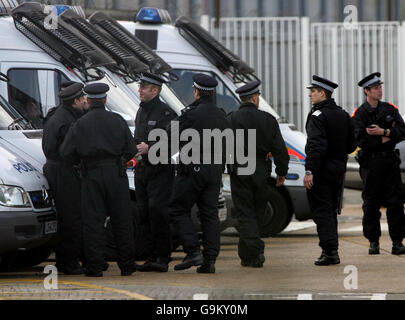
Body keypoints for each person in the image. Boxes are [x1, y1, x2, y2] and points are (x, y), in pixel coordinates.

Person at [60, 83, 138, 277]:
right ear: (104, 99)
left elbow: (65, 153)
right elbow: (131, 150)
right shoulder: (117, 120)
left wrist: (82, 161)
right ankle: (127, 266)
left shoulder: (80, 124)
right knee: (122, 221)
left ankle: (95, 267)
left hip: (91, 175)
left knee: (93, 222)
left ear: (87, 100)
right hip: (116, 174)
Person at [169, 73, 228, 274]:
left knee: (177, 208)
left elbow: (171, 133)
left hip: (193, 169)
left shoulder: (192, 114)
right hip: (215, 171)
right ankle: (209, 260)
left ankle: (193, 250)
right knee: (210, 214)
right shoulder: (221, 114)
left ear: (196, 92)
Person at [228, 80, 289, 268]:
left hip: (239, 168)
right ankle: (249, 254)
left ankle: (252, 251)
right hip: (261, 170)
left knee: (245, 212)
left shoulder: (231, 118)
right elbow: (280, 149)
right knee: (257, 212)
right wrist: (281, 172)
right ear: (255, 98)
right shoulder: (268, 119)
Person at [305, 75, 356, 266]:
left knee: (322, 211)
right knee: (331, 210)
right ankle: (331, 249)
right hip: (338, 168)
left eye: (313, 91)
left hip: (322, 169)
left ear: (322, 93)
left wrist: (310, 170)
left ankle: (330, 252)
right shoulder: (342, 114)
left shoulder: (318, 116)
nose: (310, 94)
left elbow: (315, 145)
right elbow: (352, 144)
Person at [352, 72, 405, 255]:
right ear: (366, 91)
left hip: (390, 161)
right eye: (376, 88)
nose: (380, 90)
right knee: (371, 203)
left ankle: (397, 242)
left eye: (380, 87)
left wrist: (385, 132)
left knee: (395, 202)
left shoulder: (390, 109)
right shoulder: (359, 114)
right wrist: (380, 139)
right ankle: (373, 241)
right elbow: (360, 140)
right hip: (371, 164)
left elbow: (402, 131)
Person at [42, 82, 87, 275]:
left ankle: (67, 260)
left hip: (57, 168)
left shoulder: (60, 115)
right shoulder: (67, 121)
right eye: (83, 98)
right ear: (75, 101)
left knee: (68, 216)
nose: (86, 101)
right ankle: (68, 262)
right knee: (71, 217)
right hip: (64, 170)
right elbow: (70, 149)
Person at [134, 72, 177, 272]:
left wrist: (151, 149)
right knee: (144, 213)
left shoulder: (167, 114)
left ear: (155, 90)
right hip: (142, 170)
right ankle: (150, 256)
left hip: (160, 170)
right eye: (140, 86)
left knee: (158, 212)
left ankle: (162, 257)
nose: (139, 90)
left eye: (144, 87)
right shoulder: (141, 111)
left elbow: (175, 143)